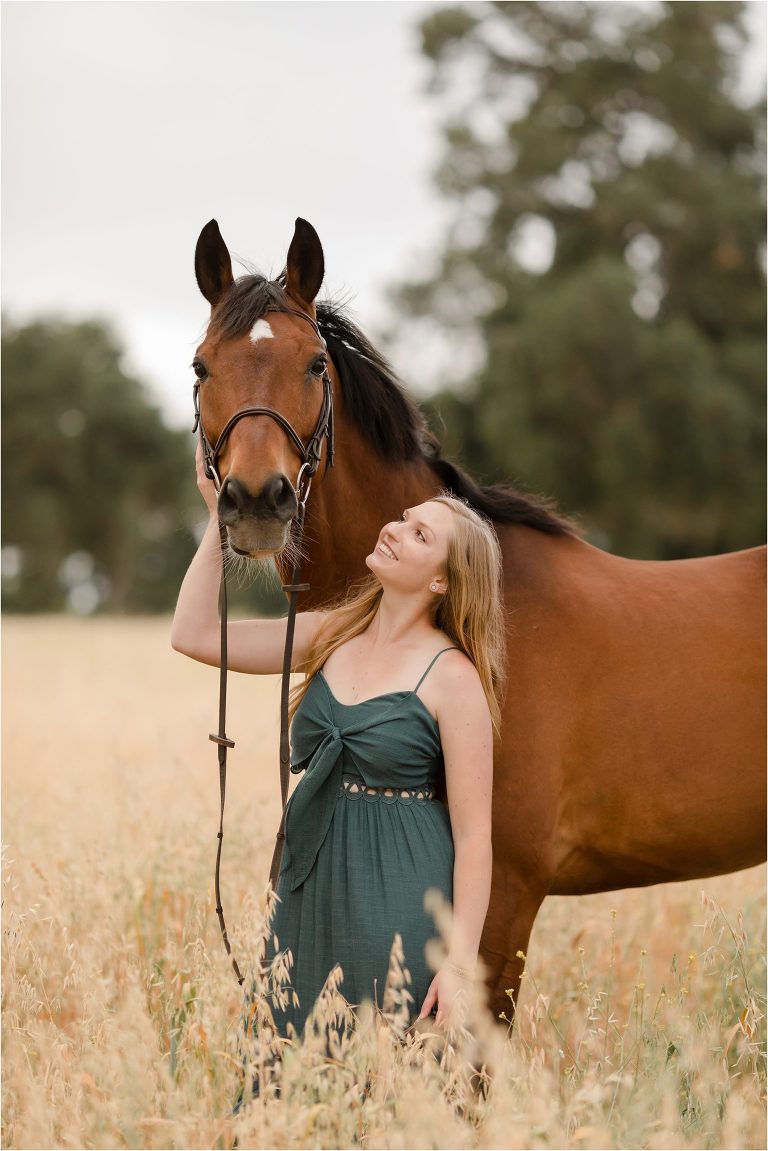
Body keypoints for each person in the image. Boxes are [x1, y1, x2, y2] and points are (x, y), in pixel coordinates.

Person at [172, 444, 505, 1036]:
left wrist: (456, 964)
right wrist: (217, 517)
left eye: (421, 536)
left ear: (441, 581)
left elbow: (476, 835)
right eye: (405, 519)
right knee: (286, 1077)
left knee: (377, 1083)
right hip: (307, 891)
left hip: (399, 902)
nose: (396, 530)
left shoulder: (453, 680)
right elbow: (195, 635)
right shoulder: (332, 632)